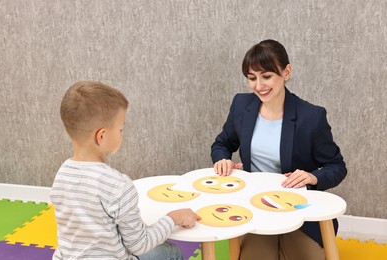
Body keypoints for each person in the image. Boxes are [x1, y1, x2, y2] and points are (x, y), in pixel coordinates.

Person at [211, 40, 347, 260]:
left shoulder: (311, 117)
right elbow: (222, 144)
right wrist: (222, 159)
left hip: (301, 211)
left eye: (266, 76)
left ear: (286, 72)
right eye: (252, 78)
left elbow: (337, 166)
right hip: (256, 209)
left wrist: (312, 176)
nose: (258, 86)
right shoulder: (241, 105)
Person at [50, 81, 200, 260]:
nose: (122, 133)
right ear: (102, 136)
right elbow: (140, 244)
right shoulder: (118, 185)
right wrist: (173, 218)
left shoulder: (61, 175)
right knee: (170, 252)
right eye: (121, 129)